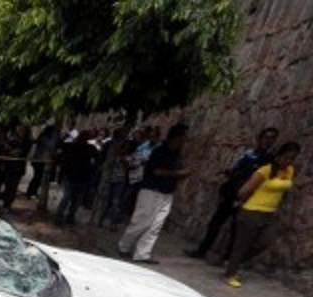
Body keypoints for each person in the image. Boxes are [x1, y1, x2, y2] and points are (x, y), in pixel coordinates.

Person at [186, 126, 279, 260]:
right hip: (231, 193)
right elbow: (238, 169)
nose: (268, 141)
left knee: (235, 230)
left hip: (246, 197)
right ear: (259, 138)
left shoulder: (269, 160)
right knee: (215, 223)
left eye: (272, 138)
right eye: (266, 137)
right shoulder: (249, 154)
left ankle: (226, 258)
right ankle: (202, 250)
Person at [223, 141, 300, 288]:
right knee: (241, 244)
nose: (289, 161)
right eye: (287, 157)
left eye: (293, 158)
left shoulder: (289, 170)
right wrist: (240, 204)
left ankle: (233, 262)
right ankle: (231, 273)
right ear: (279, 155)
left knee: (265, 242)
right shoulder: (265, 171)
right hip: (252, 211)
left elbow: (287, 186)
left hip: (269, 213)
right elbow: (244, 191)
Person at [118, 123, 191, 264]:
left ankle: (142, 254)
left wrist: (182, 174)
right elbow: (156, 171)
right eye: (184, 136)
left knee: (156, 225)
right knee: (141, 221)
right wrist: (179, 173)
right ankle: (124, 246)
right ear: (177, 137)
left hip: (166, 193)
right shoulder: (160, 151)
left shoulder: (177, 154)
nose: (186, 140)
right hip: (151, 191)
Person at [54, 130, 98, 225]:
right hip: (79, 176)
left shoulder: (76, 146)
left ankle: (62, 216)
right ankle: (68, 217)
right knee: (73, 198)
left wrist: (64, 137)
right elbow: (98, 159)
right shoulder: (89, 148)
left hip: (75, 175)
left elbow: (59, 146)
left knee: (69, 197)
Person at [26, 125, 58, 199]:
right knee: (37, 177)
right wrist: (55, 139)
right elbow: (51, 146)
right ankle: (30, 192)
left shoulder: (46, 137)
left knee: (38, 177)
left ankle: (33, 192)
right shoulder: (44, 138)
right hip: (39, 160)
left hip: (42, 160)